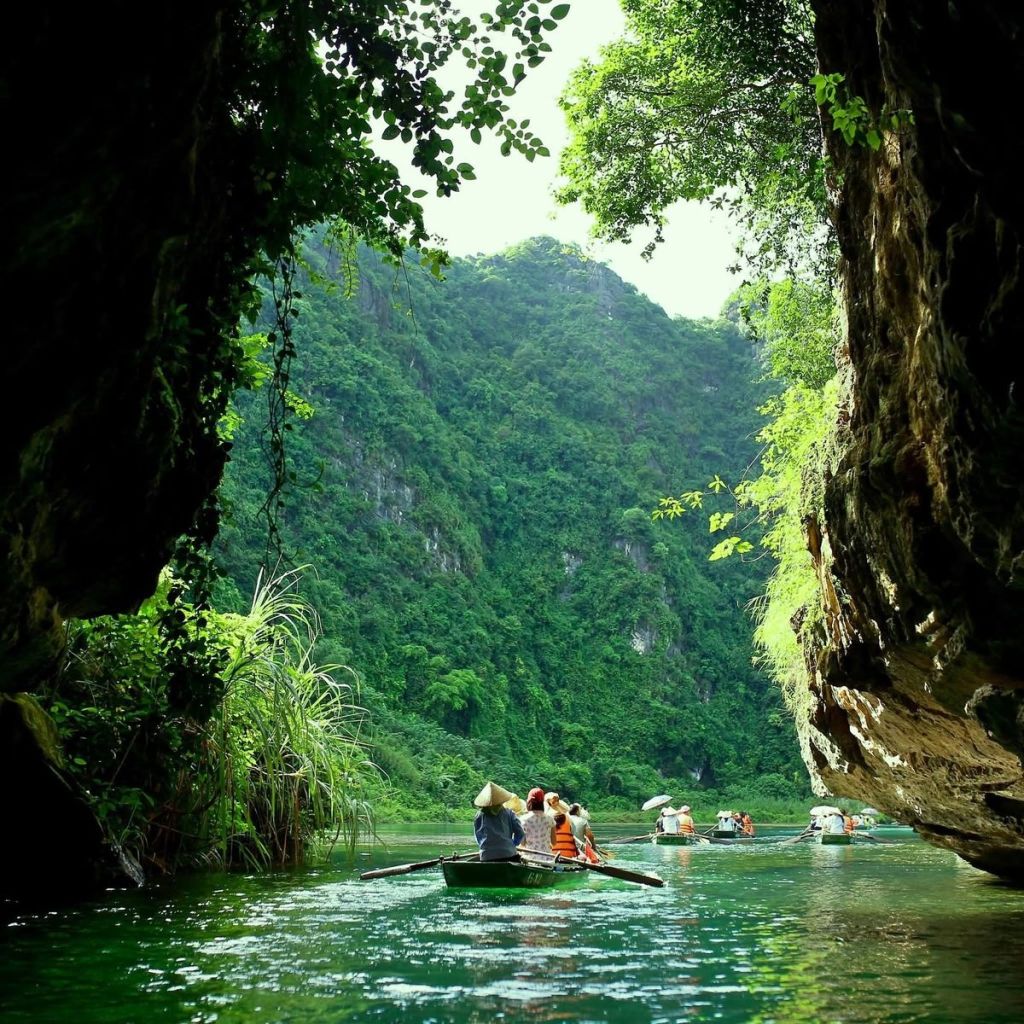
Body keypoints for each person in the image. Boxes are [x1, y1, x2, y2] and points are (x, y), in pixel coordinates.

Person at [472, 782, 525, 862]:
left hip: (486, 856)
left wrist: (486, 848)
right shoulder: (509, 813)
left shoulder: (479, 816)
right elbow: (520, 833)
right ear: (501, 801)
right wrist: (512, 844)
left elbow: (478, 837)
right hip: (508, 854)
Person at [519, 787, 556, 855]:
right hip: (547, 858)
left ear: (529, 802)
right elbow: (554, 842)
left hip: (529, 858)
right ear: (542, 803)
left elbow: (522, 843)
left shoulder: (523, 819)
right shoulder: (550, 819)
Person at [546, 792, 580, 858]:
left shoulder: (546, 818)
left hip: (551, 855)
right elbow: (573, 832)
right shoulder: (568, 818)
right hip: (569, 856)